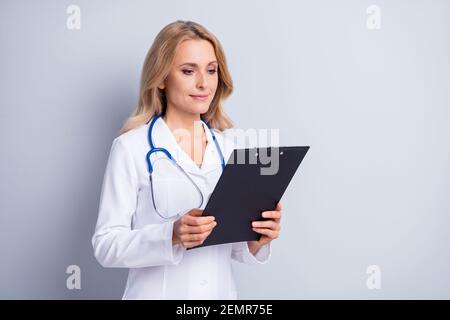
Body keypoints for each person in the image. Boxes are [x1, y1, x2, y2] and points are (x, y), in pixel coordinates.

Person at [92, 20, 282, 299]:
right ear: (160, 78)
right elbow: (105, 246)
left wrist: (259, 238)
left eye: (211, 70)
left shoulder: (230, 151)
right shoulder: (130, 148)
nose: (204, 83)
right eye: (188, 71)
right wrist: (171, 234)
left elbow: (233, 248)